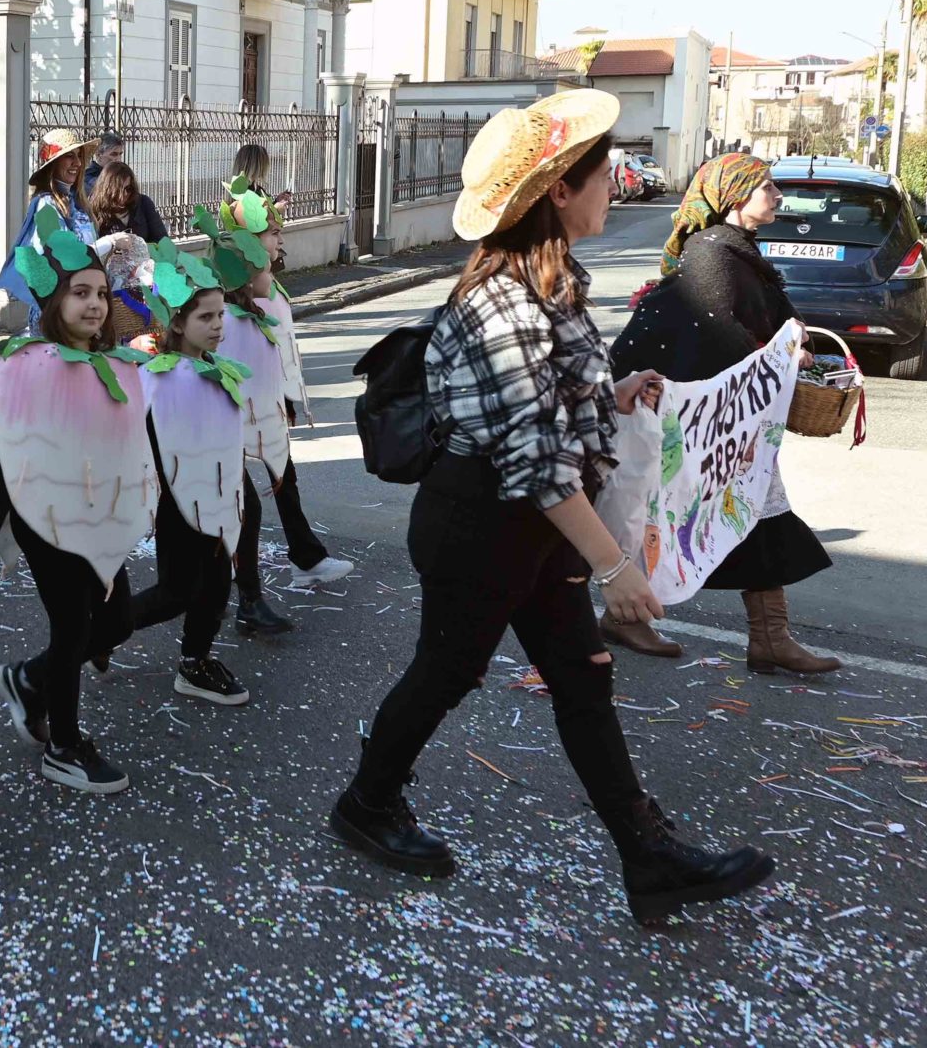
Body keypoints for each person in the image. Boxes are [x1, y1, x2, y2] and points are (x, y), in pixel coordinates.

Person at [330, 90, 775, 927]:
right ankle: (366, 800)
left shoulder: (553, 279)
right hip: (482, 524)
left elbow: (542, 407)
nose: (619, 182)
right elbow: (532, 458)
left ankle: (647, 857)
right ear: (558, 192)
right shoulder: (503, 301)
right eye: (604, 172)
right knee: (447, 671)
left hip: (529, 521)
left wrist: (613, 388)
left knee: (581, 677)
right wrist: (617, 566)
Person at [608, 153, 839, 673]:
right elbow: (715, 336)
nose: (778, 196)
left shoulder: (739, 252)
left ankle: (769, 637)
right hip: (697, 417)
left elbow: (768, 317)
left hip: (733, 416)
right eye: (768, 188)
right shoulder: (712, 255)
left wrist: (793, 345)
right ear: (736, 197)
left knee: (752, 508)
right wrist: (771, 360)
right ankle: (628, 618)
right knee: (669, 514)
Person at [0, 207, 152, 794]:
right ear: (54, 301)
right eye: (80, 294)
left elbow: (135, 445)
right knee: (72, 625)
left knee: (115, 619)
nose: (94, 305)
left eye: (100, 293)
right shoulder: (28, 365)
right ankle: (65, 747)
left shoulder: (113, 366)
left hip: (100, 517)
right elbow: (3, 456)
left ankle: (29, 681)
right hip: (44, 516)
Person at [198, 180, 352, 634]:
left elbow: (274, 356)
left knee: (264, 496)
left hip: (250, 422)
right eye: (272, 234)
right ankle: (227, 595)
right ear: (246, 250)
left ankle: (248, 590)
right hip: (225, 430)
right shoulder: (229, 314)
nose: (280, 239)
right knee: (243, 508)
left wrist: (281, 400)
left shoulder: (260, 296)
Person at [127, 239, 253, 706]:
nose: (219, 325)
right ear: (176, 322)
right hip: (179, 502)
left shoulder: (215, 368)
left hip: (221, 500)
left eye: (220, 315)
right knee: (175, 592)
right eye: (206, 318)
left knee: (218, 582)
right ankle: (91, 640)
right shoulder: (158, 376)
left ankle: (195, 661)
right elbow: (140, 439)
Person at [0, 129, 98, 329]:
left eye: (79, 156)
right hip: (56, 310)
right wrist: (108, 244)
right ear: (53, 164)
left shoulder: (78, 204)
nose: (77, 163)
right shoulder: (46, 205)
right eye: (69, 156)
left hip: (80, 304)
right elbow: (61, 256)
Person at [86, 160, 168, 244]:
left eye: (128, 189)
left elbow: (162, 239)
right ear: (107, 189)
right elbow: (92, 247)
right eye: (117, 190)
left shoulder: (143, 203)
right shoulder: (94, 208)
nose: (123, 194)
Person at [81, 133, 124, 198]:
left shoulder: (120, 174)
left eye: (120, 154)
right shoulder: (89, 177)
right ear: (98, 155)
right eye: (113, 154)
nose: (118, 159)